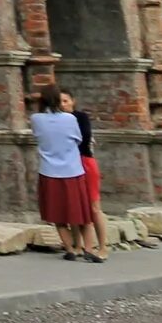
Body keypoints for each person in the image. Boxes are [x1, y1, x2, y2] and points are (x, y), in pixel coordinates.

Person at [31, 87, 105, 261]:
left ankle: (70, 249)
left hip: (48, 171)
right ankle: (89, 248)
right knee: (83, 212)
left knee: (58, 215)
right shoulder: (70, 119)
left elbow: (37, 135)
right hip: (73, 170)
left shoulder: (35, 119)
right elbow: (78, 139)